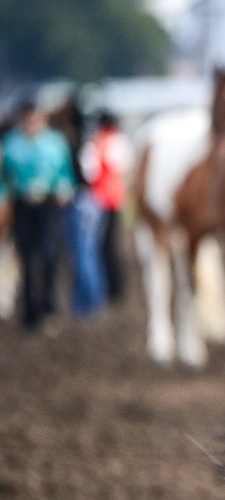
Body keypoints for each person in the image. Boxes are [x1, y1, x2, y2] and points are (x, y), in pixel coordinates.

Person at [0, 99, 76, 332]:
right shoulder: (11, 144)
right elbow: (4, 179)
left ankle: (49, 305)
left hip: (48, 204)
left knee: (50, 254)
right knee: (27, 256)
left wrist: (64, 188)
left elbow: (66, 173)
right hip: (23, 205)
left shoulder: (55, 143)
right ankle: (30, 310)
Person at [79, 109, 132, 303]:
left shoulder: (96, 143)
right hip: (113, 200)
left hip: (100, 200)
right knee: (110, 246)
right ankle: (114, 289)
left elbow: (90, 172)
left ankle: (109, 289)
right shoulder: (118, 141)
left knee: (101, 247)